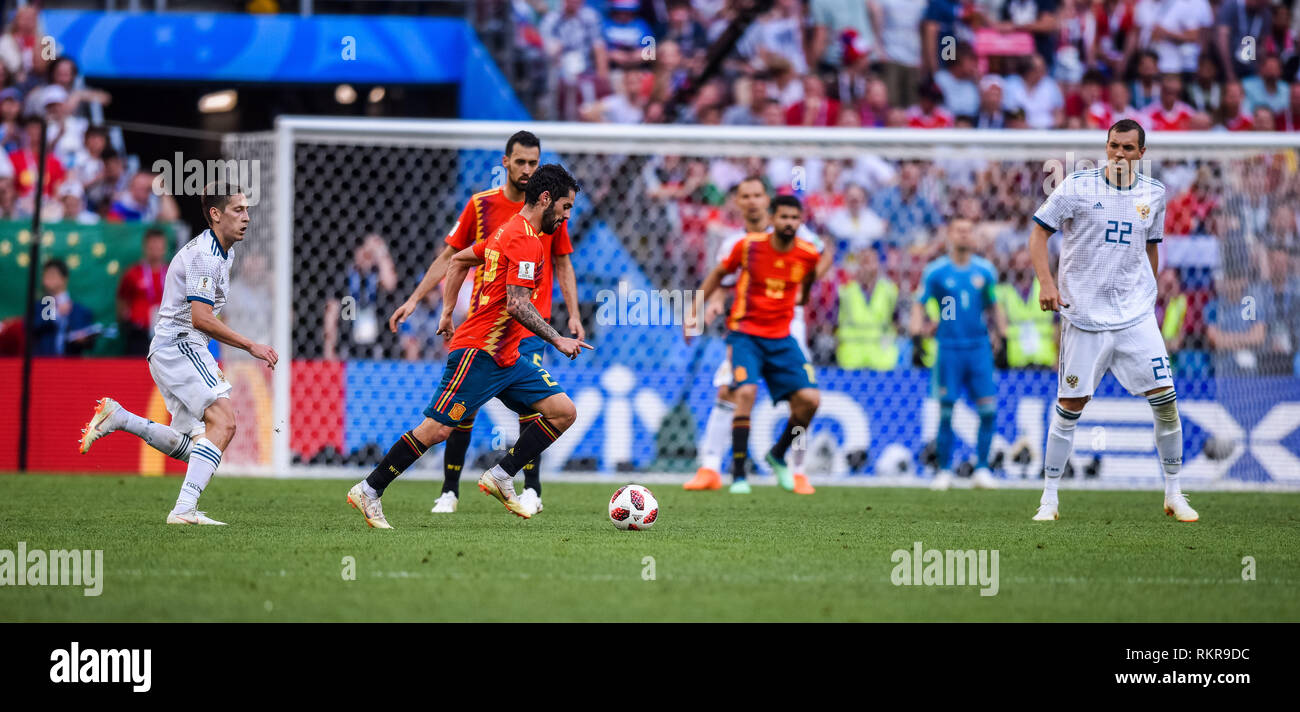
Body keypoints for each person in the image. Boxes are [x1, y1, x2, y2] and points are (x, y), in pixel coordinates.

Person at [347, 164, 592, 528]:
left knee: (563, 411)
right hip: (480, 352)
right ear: (546, 199)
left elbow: (460, 259)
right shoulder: (525, 240)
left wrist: (447, 312)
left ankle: (502, 474)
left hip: (507, 358)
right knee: (437, 430)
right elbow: (517, 304)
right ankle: (369, 490)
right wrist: (556, 338)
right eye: (566, 206)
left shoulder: (508, 231)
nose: (567, 215)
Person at [79, 183, 280, 525]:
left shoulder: (223, 250)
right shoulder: (205, 256)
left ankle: (120, 417)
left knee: (197, 445)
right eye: (238, 210)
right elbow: (201, 318)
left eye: (246, 209)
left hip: (176, 346)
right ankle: (183, 510)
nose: (246, 217)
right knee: (226, 422)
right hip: (181, 343)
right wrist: (250, 345)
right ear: (215, 215)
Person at [1028, 119, 1194, 522]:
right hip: (1084, 314)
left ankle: (1175, 492)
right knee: (1071, 405)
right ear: (1106, 146)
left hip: (1135, 315)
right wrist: (1046, 283)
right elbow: (1038, 234)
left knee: (1166, 402)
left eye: (1128, 148)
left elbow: (1151, 247)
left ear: (1141, 153)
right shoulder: (1077, 187)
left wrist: (1150, 292)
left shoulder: (1154, 194)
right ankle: (1049, 498)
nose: (1119, 154)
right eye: (1113, 146)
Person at [682, 179, 831, 495]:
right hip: (748, 327)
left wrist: (802, 289)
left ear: (768, 201)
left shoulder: (795, 232)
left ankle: (798, 469)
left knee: (804, 398)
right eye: (744, 196)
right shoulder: (738, 243)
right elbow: (725, 281)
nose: (751, 202)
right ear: (737, 201)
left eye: (757, 195)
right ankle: (711, 468)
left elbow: (820, 256)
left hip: (791, 327)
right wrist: (708, 307)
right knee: (729, 389)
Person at [909, 219, 1005, 491]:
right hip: (948, 349)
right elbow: (919, 304)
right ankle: (944, 470)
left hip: (978, 349)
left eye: (969, 231)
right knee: (946, 413)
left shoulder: (984, 271)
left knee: (988, 411)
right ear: (949, 235)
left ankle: (983, 469)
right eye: (959, 230)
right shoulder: (936, 272)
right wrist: (917, 337)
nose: (965, 235)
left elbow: (994, 305)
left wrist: (1004, 338)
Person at [835, 247, 900, 371]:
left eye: (870, 262)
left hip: (881, 357)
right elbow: (835, 324)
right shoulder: (846, 291)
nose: (867, 267)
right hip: (852, 357)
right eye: (864, 262)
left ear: (878, 265)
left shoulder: (890, 290)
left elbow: (896, 321)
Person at [116, 227, 169, 356]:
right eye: (152, 246)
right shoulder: (132, 273)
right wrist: (127, 320)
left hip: (166, 334)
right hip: (139, 333)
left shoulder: (172, 272)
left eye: (158, 246)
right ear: (145, 247)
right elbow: (122, 300)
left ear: (164, 248)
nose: (155, 250)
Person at [30, 257, 97, 356]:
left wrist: (83, 339)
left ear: (64, 279)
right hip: (43, 363)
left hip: (70, 365)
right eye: (45, 275)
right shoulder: (39, 307)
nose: (47, 280)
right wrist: (56, 313)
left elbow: (90, 344)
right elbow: (32, 327)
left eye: (52, 275)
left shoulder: (80, 310)